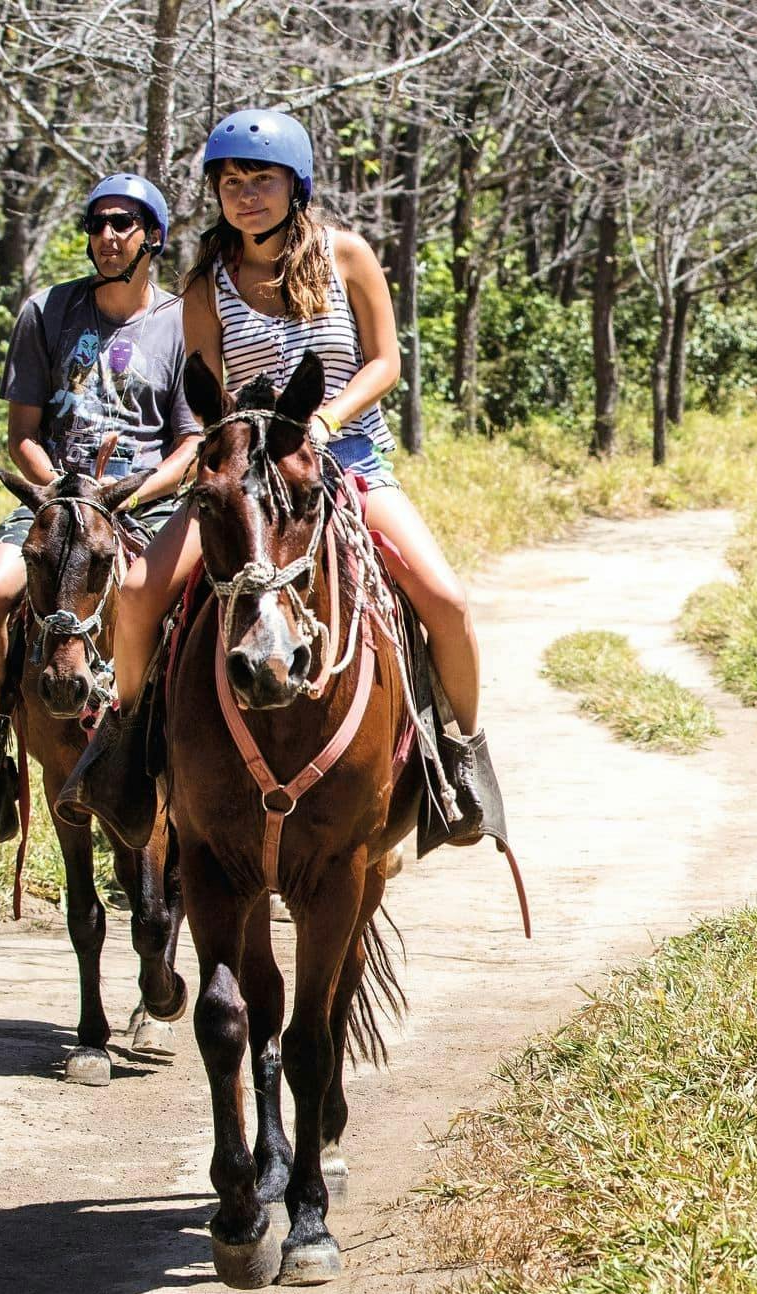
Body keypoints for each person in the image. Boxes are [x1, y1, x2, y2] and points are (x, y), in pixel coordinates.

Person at [62, 108, 500, 853]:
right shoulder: (207, 282)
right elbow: (206, 390)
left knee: (447, 601)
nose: (246, 194)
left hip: (349, 458)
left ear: (295, 185)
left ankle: (459, 757)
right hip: (250, 469)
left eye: (261, 179)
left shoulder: (349, 255)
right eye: (231, 181)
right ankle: (127, 751)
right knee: (137, 594)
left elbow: (386, 362)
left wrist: (326, 421)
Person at [0, 172, 200, 847]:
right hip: (56, 505)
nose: (107, 236)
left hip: (142, 504)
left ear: (154, 236)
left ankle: (195, 767)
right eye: (96, 224)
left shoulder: (182, 322)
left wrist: (137, 493)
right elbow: (23, 433)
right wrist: (62, 492)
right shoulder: (47, 311)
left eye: (123, 223)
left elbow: (192, 443)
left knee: (202, 609)